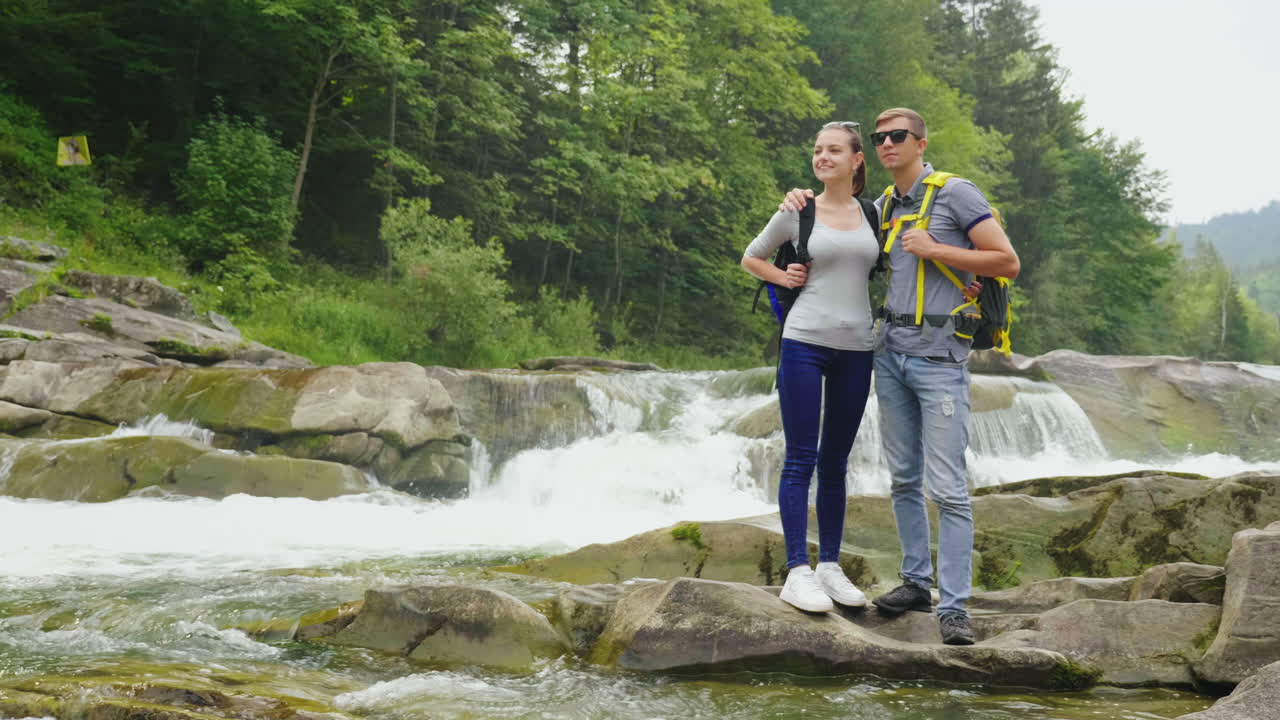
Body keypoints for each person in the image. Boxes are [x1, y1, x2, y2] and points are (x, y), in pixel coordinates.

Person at [783, 108, 1020, 644]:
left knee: (949, 488)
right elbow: (833, 238)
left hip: (939, 358)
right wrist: (796, 201)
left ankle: (954, 607)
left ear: (920, 142)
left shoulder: (957, 194)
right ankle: (916, 582)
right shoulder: (881, 207)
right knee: (905, 479)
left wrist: (937, 249)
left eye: (898, 136)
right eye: (880, 137)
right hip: (888, 354)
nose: (888, 143)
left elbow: (1006, 262)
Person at [741, 121, 880, 614]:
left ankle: (831, 567)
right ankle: (797, 569)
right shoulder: (798, 210)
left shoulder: (873, 214)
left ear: (856, 159)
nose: (823, 157)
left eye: (835, 150)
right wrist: (783, 274)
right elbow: (750, 257)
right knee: (801, 457)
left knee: (837, 461)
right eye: (819, 150)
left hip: (858, 349)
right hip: (804, 342)